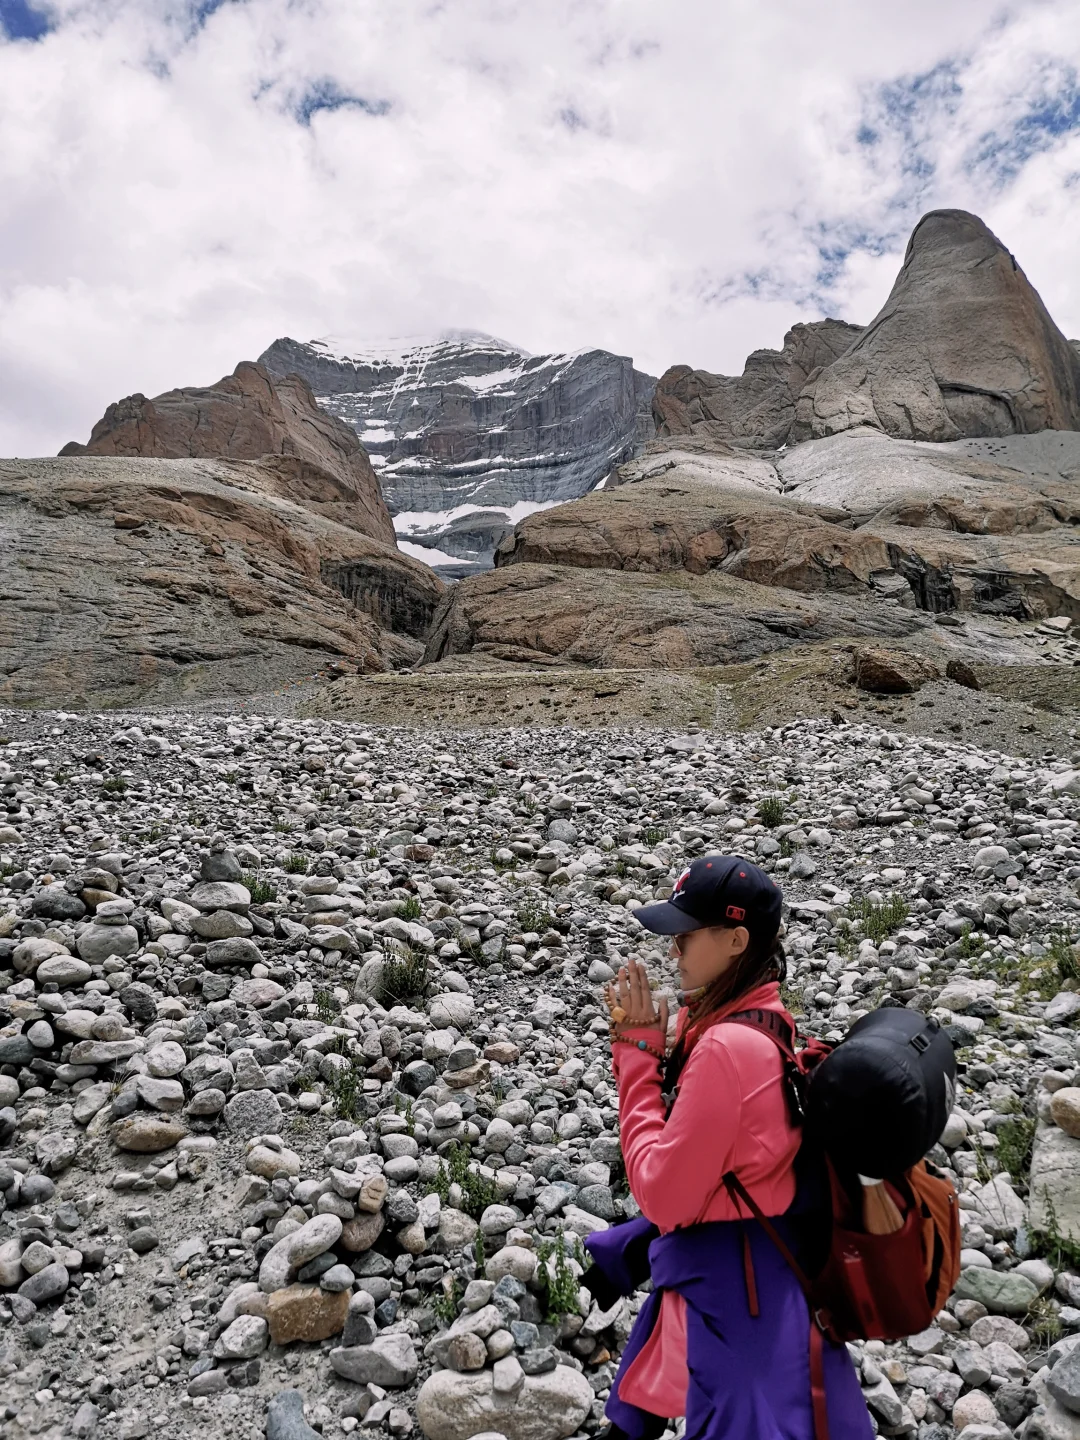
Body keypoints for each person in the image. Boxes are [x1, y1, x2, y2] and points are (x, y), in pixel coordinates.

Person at [585, 854, 872, 1440]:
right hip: (765, 1268)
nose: (673, 951)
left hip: (734, 1293)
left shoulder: (725, 1049)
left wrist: (637, 1063)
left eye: (686, 936)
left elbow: (663, 1196)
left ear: (736, 939)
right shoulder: (767, 1019)